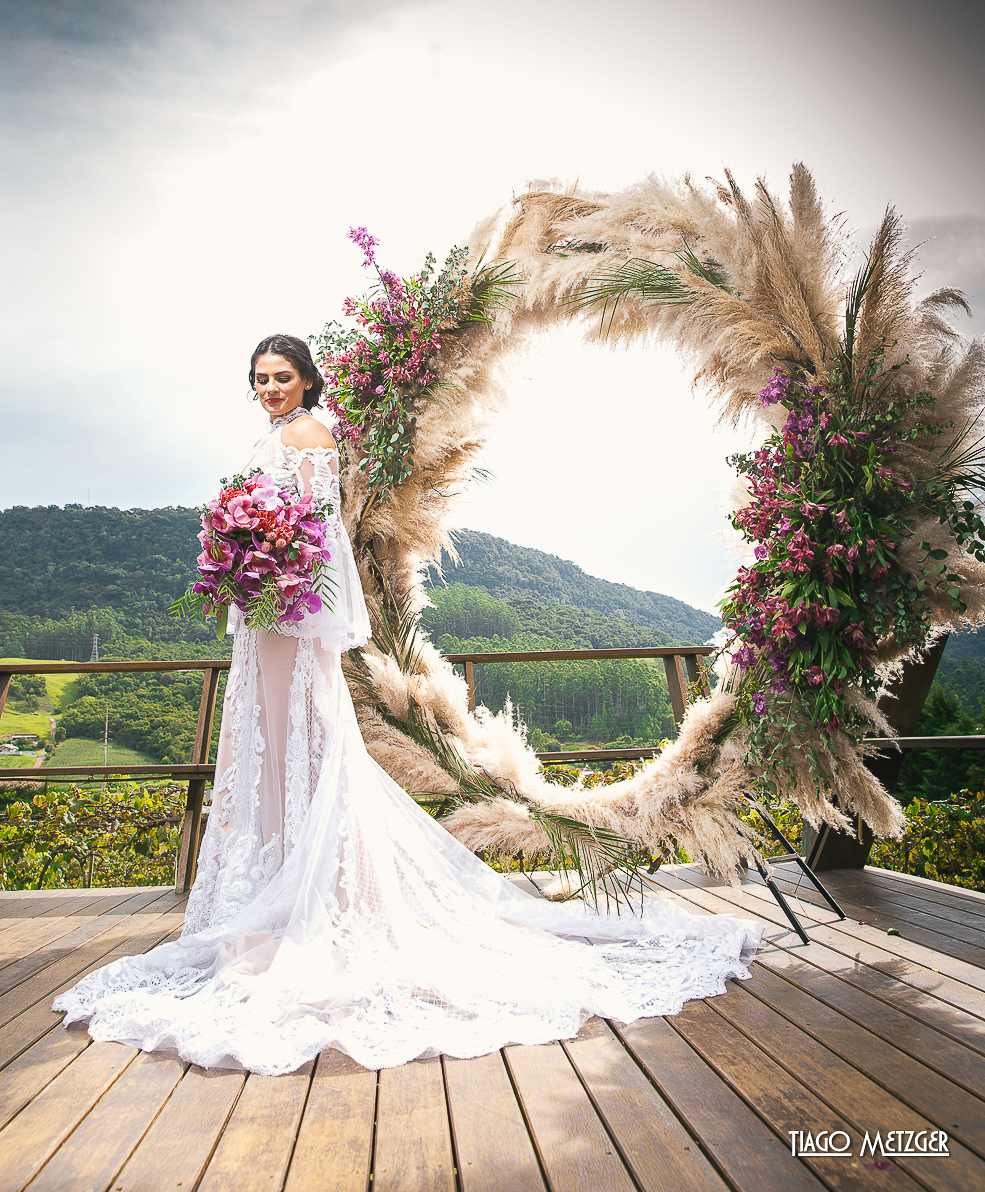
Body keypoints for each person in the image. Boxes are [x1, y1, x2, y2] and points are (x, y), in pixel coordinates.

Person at [55, 335, 763, 1075]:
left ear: (306, 381)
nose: (270, 388)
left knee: (296, 745)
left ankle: (307, 904)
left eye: (282, 376)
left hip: (284, 610)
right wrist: (239, 550)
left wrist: (253, 553)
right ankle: (296, 896)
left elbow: (311, 530)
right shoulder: (293, 432)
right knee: (291, 746)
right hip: (273, 607)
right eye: (261, 378)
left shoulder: (304, 434)